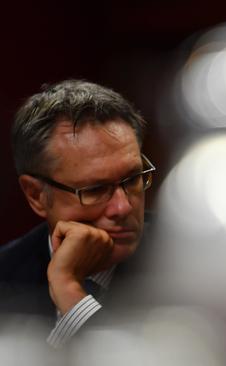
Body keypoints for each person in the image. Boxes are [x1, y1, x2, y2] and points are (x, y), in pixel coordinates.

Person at [0, 80, 155, 348]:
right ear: (36, 195)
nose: (123, 207)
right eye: (95, 189)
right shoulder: (5, 276)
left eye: (132, 179)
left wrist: (70, 291)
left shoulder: (190, 264)